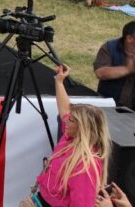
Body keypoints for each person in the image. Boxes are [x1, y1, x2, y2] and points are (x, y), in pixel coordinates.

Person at [23, 64, 109, 207]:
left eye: (71, 120)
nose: (65, 120)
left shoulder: (85, 166)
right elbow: (64, 108)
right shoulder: (70, 137)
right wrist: (59, 82)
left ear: (83, 128)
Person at [93, 21, 135, 123]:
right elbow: (100, 72)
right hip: (111, 107)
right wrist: (128, 69)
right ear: (129, 38)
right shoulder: (110, 48)